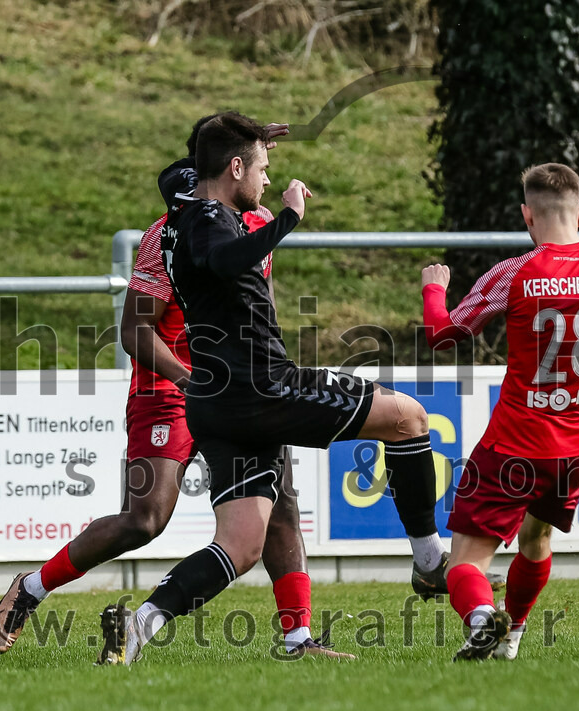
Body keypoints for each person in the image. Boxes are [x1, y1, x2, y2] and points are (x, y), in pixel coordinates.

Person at [95, 111, 453, 665]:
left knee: (239, 546)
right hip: (264, 387)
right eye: (261, 168)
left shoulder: (183, 211)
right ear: (234, 169)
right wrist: (288, 216)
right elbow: (222, 256)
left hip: (215, 403)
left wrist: (249, 135)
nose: (267, 179)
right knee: (409, 417)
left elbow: (186, 169)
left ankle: (140, 624)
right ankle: (430, 563)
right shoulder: (211, 221)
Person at [0, 116, 344, 659]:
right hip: (171, 388)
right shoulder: (168, 236)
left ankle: (297, 638)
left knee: (281, 506)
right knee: (146, 517)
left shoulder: (257, 221)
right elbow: (134, 330)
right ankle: (29, 590)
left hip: (239, 387)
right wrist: (187, 376)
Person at [421, 163, 579, 660]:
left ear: (527, 216)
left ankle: (482, 618)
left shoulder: (512, 274)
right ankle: (511, 639)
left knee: (464, 563)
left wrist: (433, 289)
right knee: (536, 538)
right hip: (575, 448)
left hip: (513, 442)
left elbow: (442, 335)